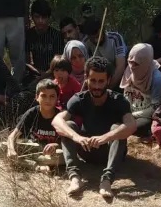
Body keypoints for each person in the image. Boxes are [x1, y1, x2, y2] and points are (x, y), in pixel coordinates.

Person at [52, 57, 136, 199]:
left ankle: (107, 179)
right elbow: (57, 121)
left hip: (110, 151)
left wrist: (106, 137)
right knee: (69, 126)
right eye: (93, 81)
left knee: (118, 128)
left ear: (108, 80)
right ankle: (74, 177)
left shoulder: (118, 100)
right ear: (86, 78)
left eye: (101, 81)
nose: (97, 86)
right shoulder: (79, 99)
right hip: (86, 150)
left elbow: (131, 125)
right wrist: (76, 137)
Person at [4, 79, 63, 171]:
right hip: (33, 147)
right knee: (2, 147)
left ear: (57, 98)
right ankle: (38, 167)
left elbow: (67, 143)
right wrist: (11, 150)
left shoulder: (60, 116)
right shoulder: (32, 113)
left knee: (64, 156)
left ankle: (26, 162)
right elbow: (12, 136)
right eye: (43, 96)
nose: (48, 100)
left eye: (52, 96)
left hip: (52, 152)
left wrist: (55, 145)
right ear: (37, 97)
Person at [121, 44, 161, 138]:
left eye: (136, 63)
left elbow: (155, 108)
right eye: (130, 62)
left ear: (145, 62)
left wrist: (132, 115)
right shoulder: (128, 70)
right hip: (130, 111)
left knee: (136, 127)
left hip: (145, 116)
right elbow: (126, 94)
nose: (132, 66)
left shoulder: (157, 79)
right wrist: (125, 112)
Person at [81, 17, 127, 89]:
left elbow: (120, 67)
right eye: (92, 38)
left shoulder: (115, 38)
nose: (96, 41)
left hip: (116, 80)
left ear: (102, 29)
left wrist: (108, 87)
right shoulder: (86, 42)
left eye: (97, 36)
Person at [25, 0, 64, 77]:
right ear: (32, 17)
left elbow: (59, 61)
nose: (40, 21)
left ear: (48, 17)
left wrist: (46, 74)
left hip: (55, 74)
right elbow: (26, 62)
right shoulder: (28, 35)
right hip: (35, 74)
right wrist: (39, 73)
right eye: (37, 17)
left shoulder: (56, 35)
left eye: (44, 17)